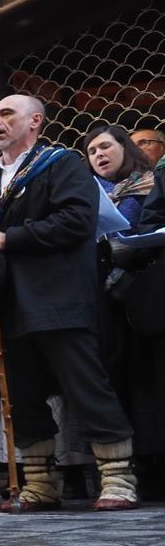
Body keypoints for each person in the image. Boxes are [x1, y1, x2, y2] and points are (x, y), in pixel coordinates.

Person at [0, 94, 138, 512]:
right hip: (8, 302)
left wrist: (9, 237)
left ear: (35, 121)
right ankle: (41, 484)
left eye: (7, 113)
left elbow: (77, 221)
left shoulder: (62, 164)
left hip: (57, 295)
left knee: (85, 384)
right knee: (21, 395)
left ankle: (119, 479)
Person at [85, 124, 163, 501]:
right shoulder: (88, 195)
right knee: (120, 381)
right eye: (92, 152)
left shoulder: (149, 182)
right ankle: (138, 468)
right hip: (106, 298)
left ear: (125, 147)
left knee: (150, 380)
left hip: (147, 295)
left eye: (105, 146)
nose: (99, 155)